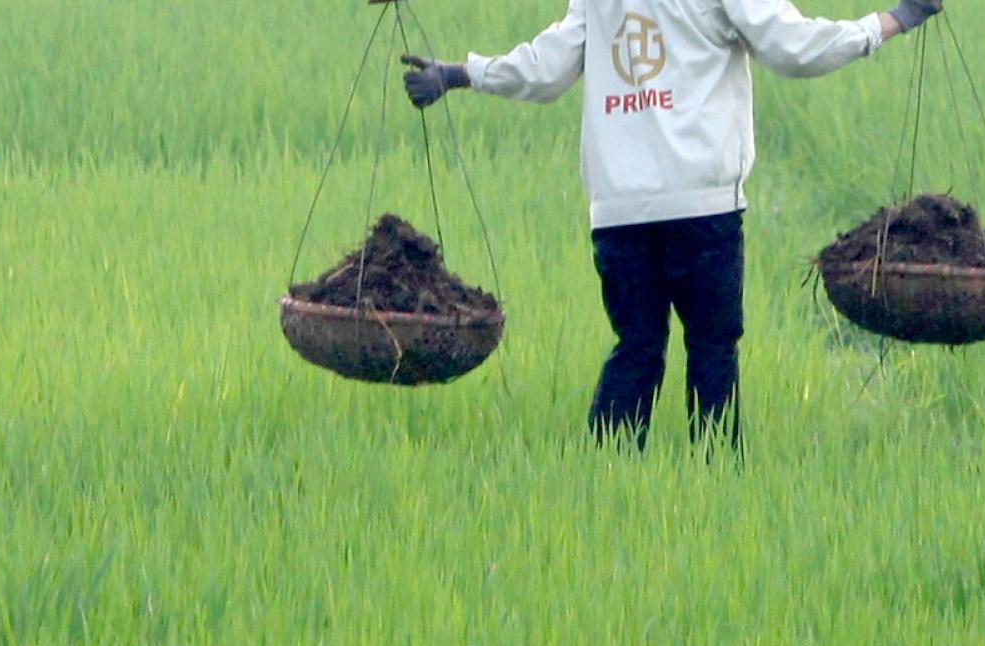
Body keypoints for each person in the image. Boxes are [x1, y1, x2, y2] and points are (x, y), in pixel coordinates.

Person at [401, 0, 944, 450]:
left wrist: (459, 74)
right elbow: (796, 48)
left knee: (636, 345)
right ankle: (714, 479)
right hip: (703, 207)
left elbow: (545, 69)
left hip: (619, 212)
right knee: (712, 346)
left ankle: (606, 478)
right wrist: (896, 19)